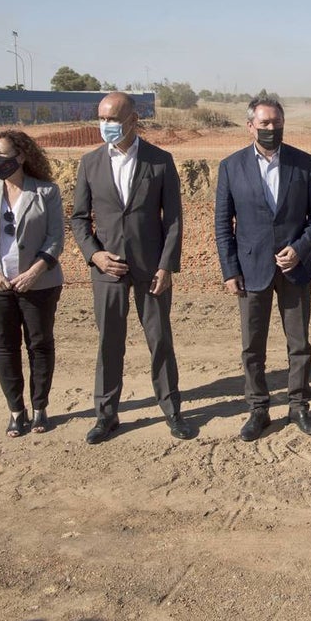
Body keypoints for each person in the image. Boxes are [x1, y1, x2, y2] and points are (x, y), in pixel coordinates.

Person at [70, 92, 194, 444]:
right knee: (109, 343)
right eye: (102, 119)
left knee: (160, 341)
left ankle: (172, 410)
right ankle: (106, 415)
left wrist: (167, 266)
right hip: (107, 271)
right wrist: (94, 255)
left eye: (112, 119)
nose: (106, 126)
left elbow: (172, 220)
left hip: (150, 269)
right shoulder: (90, 163)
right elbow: (79, 219)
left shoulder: (159, 161)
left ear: (133, 121)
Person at [215, 96, 311, 441]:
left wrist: (299, 248)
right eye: (264, 123)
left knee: (299, 343)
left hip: (295, 268)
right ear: (250, 126)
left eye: (276, 122)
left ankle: (299, 407)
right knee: (253, 346)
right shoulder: (231, 166)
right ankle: (258, 409)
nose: (271, 128)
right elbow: (222, 223)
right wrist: (230, 270)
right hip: (251, 270)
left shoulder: (302, 162)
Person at [0, 130, 64, 437]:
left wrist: (34, 272)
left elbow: (55, 238)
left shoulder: (46, 192)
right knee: (5, 346)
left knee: (39, 344)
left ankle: (40, 409)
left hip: (39, 283)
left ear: (21, 157)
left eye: (2, 155)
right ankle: (15, 412)